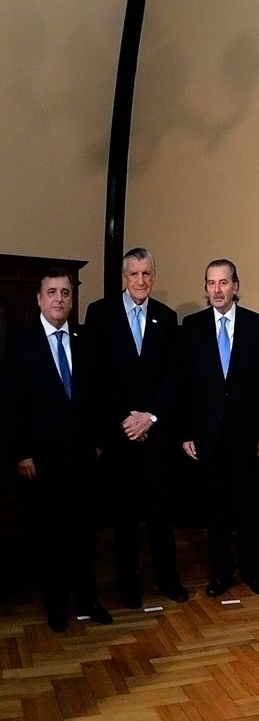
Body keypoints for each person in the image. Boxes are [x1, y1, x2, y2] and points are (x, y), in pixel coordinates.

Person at [1, 269, 112, 631]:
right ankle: (56, 604)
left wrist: (98, 442)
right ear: (39, 299)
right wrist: (21, 453)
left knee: (83, 533)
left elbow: (97, 397)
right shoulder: (22, 343)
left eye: (65, 292)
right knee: (49, 536)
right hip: (41, 460)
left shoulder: (86, 339)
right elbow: (11, 404)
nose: (59, 299)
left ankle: (89, 597)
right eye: (52, 292)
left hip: (82, 458)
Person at [85, 247, 187, 608]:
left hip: (156, 433)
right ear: (124, 278)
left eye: (147, 274)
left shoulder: (166, 316)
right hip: (119, 432)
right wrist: (127, 418)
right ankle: (129, 582)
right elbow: (96, 376)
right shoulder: (99, 314)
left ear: (153, 277)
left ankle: (168, 578)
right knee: (123, 513)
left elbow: (174, 376)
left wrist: (151, 417)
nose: (141, 281)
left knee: (161, 510)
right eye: (134, 275)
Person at [179, 260, 259, 598]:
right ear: (205, 288)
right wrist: (187, 432)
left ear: (235, 285)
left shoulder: (257, 325)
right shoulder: (191, 327)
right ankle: (220, 573)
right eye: (211, 283)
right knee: (214, 509)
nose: (217, 289)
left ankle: (253, 572)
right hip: (206, 435)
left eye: (223, 282)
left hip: (245, 435)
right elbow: (185, 385)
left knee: (247, 507)